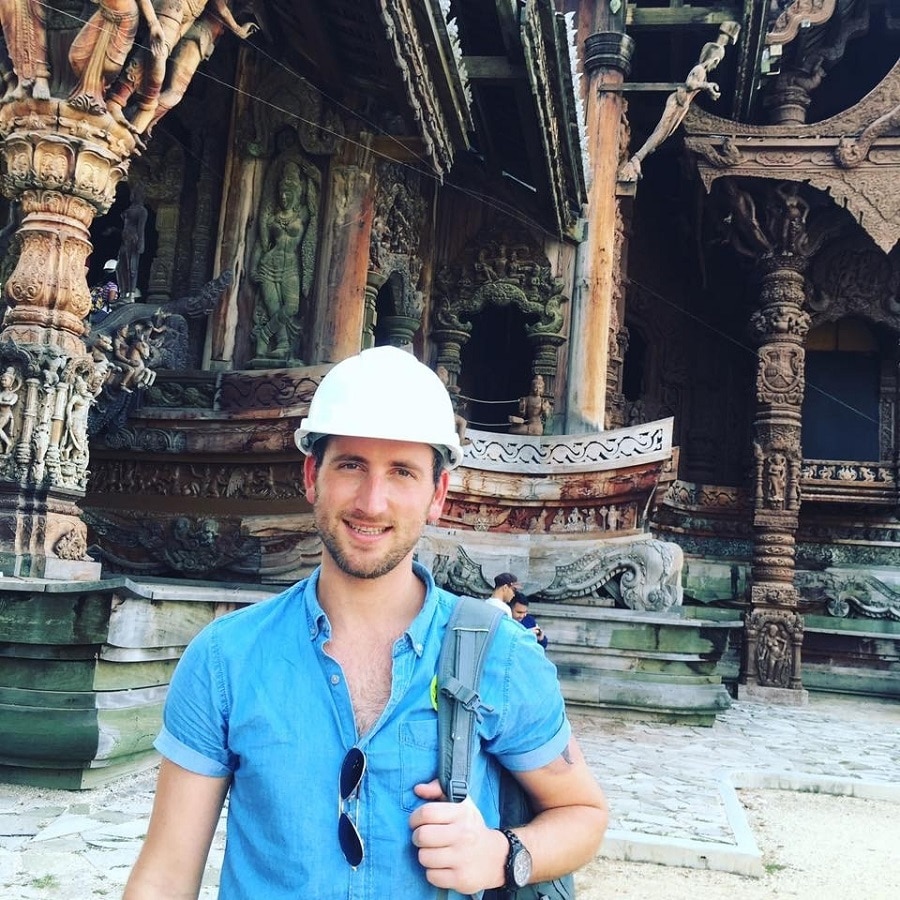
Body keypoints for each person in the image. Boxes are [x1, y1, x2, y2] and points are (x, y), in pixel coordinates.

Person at [123, 345, 607, 899]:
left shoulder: (502, 654)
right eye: (351, 465)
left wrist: (503, 854)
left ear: (437, 495)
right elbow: (165, 875)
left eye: (402, 472)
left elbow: (582, 813)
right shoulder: (224, 659)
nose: (372, 503)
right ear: (312, 476)